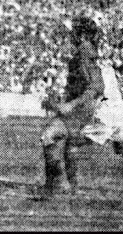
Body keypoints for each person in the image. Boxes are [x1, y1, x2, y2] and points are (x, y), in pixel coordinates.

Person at [38, 16, 105, 197]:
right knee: (68, 146)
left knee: (49, 137)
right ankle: (68, 187)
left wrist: (71, 105)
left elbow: (97, 87)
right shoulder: (86, 51)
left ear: (82, 34)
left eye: (74, 31)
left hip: (80, 110)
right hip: (82, 109)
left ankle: (57, 183)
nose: (70, 35)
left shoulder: (84, 52)